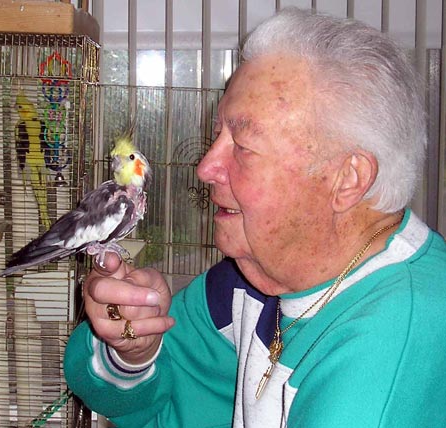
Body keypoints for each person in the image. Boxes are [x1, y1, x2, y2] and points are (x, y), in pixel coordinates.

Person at [64, 7, 446, 428]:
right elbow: (115, 391)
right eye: (217, 135)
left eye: (242, 145)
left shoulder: (387, 364)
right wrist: (134, 349)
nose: (205, 167)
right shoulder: (258, 280)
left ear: (347, 178)